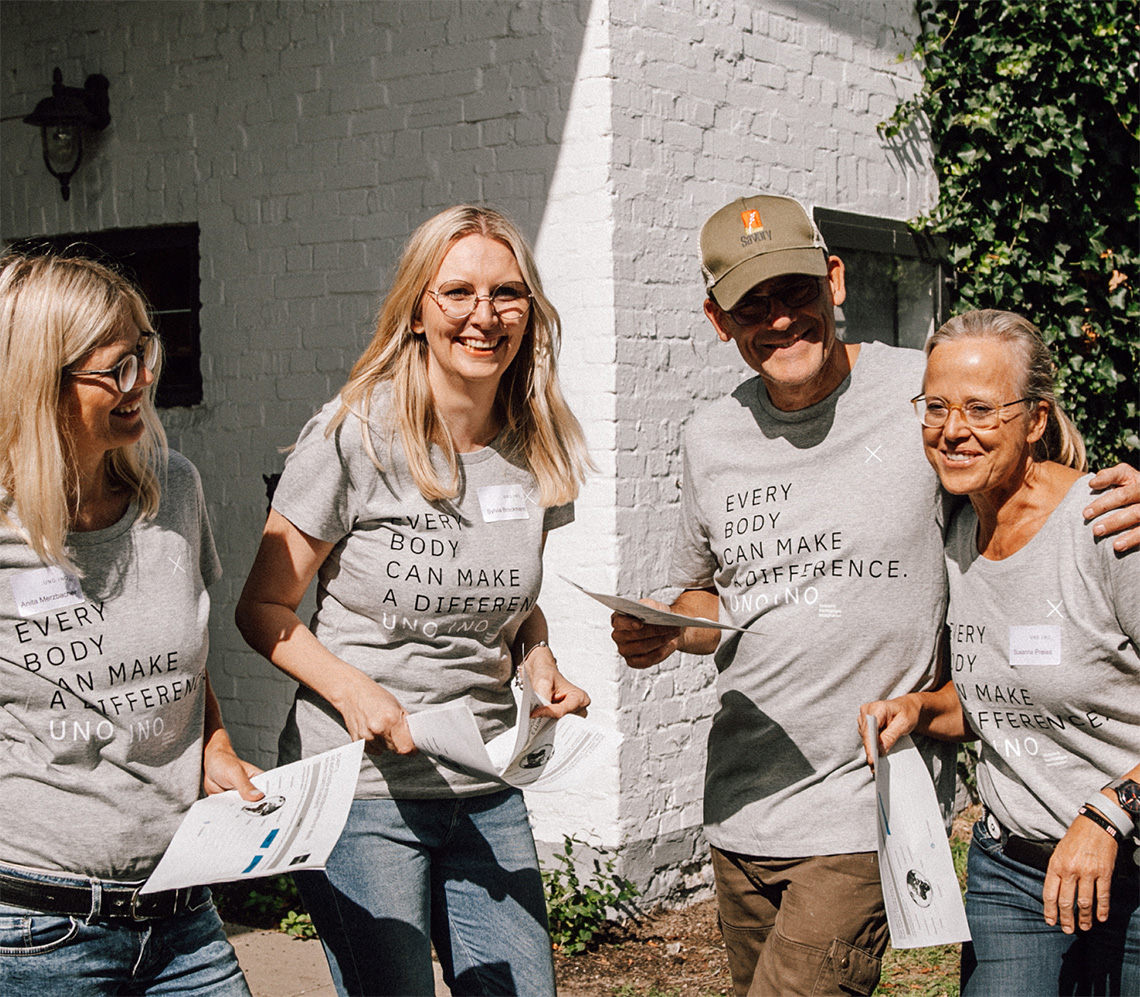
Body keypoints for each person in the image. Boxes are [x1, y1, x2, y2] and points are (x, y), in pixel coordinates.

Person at [609, 194, 1140, 996]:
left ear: (836, 279)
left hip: (866, 799)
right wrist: (666, 628)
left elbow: (1025, 467)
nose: (781, 320)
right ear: (719, 321)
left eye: (795, 292)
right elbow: (713, 597)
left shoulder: (916, 394)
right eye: (752, 305)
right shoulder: (708, 437)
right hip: (744, 800)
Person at [235, 205, 593, 997]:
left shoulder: (537, 445)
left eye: (506, 293)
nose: (483, 314)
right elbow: (262, 606)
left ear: (529, 310)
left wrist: (538, 658)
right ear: (417, 309)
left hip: (483, 780)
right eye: (457, 291)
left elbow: (508, 600)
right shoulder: (353, 436)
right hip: (361, 788)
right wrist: (350, 687)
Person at [0, 253, 263, 995]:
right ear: (37, 378)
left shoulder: (175, 490)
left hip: (182, 916)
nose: (142, 382)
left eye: (144, 353)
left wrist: (211, 741)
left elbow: (183, 657)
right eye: (116, 367)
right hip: (35, 930)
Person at [859, 310, 1138, 996]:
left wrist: (1112, 811)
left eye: (981, 408)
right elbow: (997, 695)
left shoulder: (1105, 526)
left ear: (1036, 419)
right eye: (937, 406)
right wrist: (920, 707)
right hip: (1011, 874)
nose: (953, 429)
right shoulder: (958, 531)